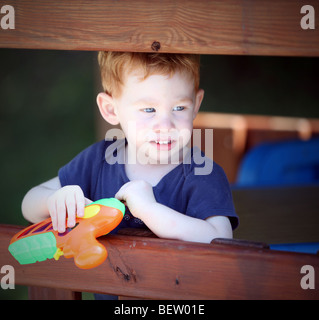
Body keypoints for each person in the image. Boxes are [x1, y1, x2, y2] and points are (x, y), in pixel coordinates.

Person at [21, 52, 238, 245]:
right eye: (149, 109)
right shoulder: (100, 160)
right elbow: (29, 204)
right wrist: (56, 200)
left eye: (179, 107)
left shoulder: (202, 174)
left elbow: (220, 238)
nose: (165, 125)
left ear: (196, 105)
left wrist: (150, 211)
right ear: (110, 109)